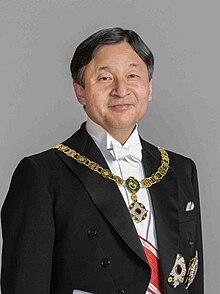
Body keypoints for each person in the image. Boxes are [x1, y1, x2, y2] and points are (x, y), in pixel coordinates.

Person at [1, 27, 203, 294]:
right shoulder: (42, 174)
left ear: (149, 87)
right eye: (105, 78)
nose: (121, 90)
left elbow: (191, 282)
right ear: (80, 91)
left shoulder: (180, 169)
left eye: (133, 75)